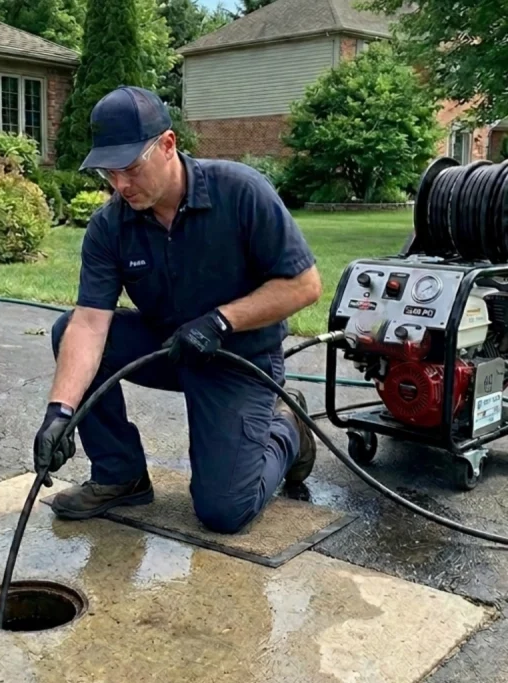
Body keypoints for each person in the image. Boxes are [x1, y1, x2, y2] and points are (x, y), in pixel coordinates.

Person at [33, 86, 322, 534]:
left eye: (130, 168)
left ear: (167, 145)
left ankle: (287, 427)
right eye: (109, 173)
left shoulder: (241, 192)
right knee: (67, 327)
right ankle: (119, 475)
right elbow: (91, 325)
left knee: (223, 511)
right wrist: (60, 413)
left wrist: (222, 320)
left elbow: (304, 286)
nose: (120, 185)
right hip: (169, 350)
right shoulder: (110, 226)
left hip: (239, 359)